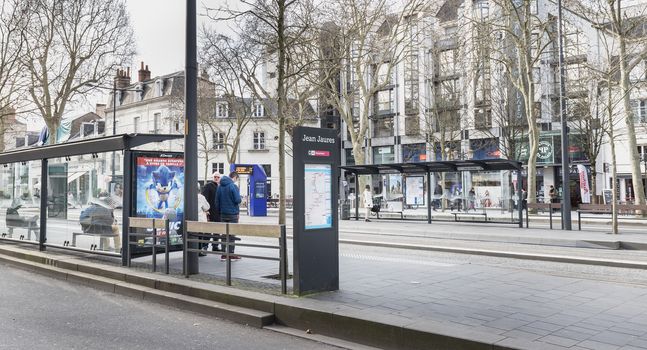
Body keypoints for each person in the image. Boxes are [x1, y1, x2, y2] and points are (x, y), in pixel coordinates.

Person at [217, 171, 242, 260]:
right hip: (232, 214)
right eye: (236, 179)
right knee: (231, 235)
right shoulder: (233, 186)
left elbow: (217, 201)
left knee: (224, 234)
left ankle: (223, 254)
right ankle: (231, 254)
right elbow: (237, 200)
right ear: (234, 177)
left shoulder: (220, 186)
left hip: (223, 214)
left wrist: (220, 211)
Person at [201, 172, 222, 253]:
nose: (216, 178)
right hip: (210, 211)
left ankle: (215, 246)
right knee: (208, 230)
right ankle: (205, 246)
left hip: (218, 212)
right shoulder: (209, 186)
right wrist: (206, 210)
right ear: (212, 177)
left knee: (217, 230)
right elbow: (204, 198)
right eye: (215, 177)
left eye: (218, 177)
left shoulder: (219, 187)